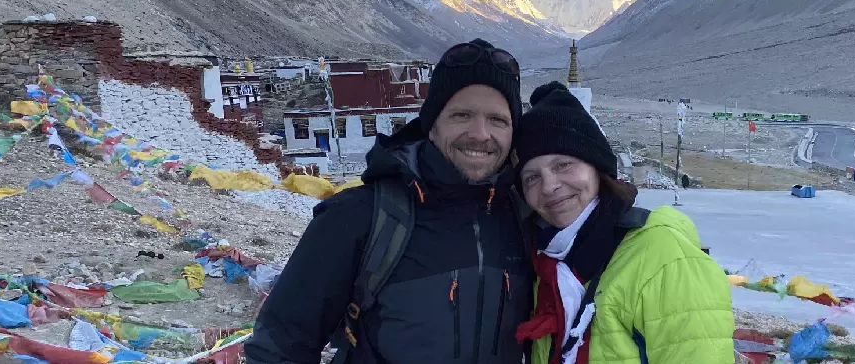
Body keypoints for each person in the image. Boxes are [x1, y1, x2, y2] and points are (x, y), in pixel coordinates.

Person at [246, 39, 534, 363]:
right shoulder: (361, 217)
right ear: (432, 124)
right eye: (462, 115)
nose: (480, 133)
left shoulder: (526, 219)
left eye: (498, 120)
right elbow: (280, 347)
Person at [513, 81, 735, 364]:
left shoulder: (664, 258)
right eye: (532, 177)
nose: (549, 186)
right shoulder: (546, 263)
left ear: (597, 167)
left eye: (563, 165)